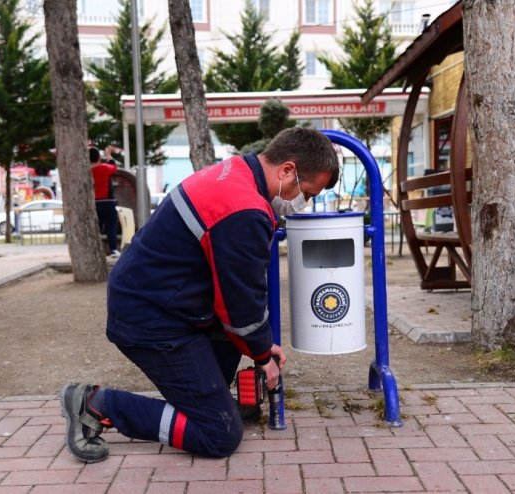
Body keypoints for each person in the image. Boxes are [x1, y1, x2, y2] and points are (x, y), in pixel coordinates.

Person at [61, 128, 339, 462]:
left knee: (217, 395)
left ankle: (207, 403)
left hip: (164, 302)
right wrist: (263, 356)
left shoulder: (235, 172)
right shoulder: (244, 209)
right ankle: (96, 404)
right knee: (218, 435)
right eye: (305, 193)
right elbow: (241, 303)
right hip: (151, 319)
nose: (301, 204)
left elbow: (235, 297)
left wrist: (260, 346)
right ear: (287, 171)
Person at [89, 147, 120, 258]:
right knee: (111, 226)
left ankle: (93, 251)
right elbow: (114, 166)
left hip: (93, 202)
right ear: (98, 158)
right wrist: (108, 155)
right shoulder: (104, 168)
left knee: (95, 227)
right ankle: (113, 250)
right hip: (108, 201)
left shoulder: (86, 171)